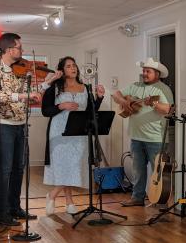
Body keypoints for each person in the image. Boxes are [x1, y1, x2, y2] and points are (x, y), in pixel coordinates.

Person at [0, 33, 61, 226]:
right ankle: (2, 214)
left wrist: (48, 82)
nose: (23, 51)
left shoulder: (21, 68)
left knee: (19, 167)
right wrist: (21, 98)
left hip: (20, 121)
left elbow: (28, 93)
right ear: (9, 49)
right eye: (20, 47)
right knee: (5, 168)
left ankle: (14, 208)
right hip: (2, 122)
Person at [41, 56, 105, 215]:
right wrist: (61, 105)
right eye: (69, 66)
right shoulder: (55, 87)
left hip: (79, 132)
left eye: (74, 65)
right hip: (59, 132)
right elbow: (45, 111)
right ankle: (69, 202)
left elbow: (91, 111)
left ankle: (52, 195)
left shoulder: (86, 87)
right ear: (62, 70)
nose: (73, 68)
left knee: (73, 165)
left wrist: (99, 98)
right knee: (64, 166)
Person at [112, 57, 173, 207]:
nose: (145, 73)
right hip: (136, 136)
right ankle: (137, 198)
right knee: (138, 170)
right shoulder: (135, 86)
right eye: (144, 71)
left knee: (158, 171)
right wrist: (124, 102)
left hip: (156, 138)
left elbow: (168, 110)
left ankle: (161, 201)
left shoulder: (163, 89)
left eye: (148, 71)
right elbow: (116, 94)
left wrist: (153, 103)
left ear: (157, 74)